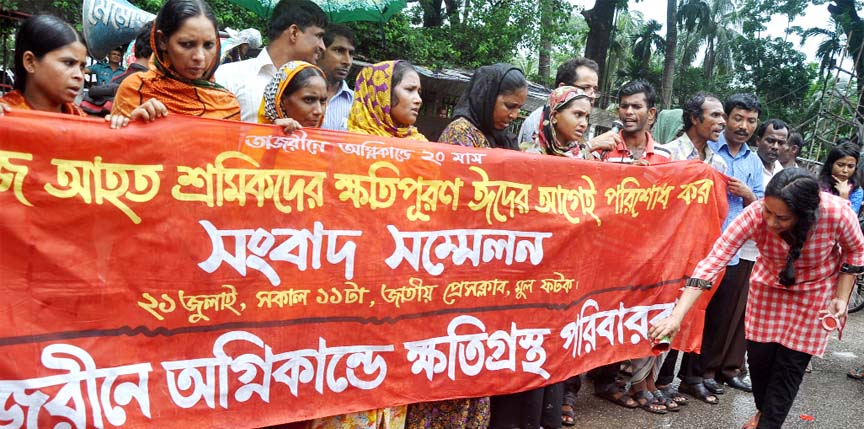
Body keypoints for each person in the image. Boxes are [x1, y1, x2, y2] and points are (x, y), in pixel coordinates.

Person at [650, 168, 864, 429]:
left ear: (805, 214)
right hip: (768, 288)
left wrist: (841, 297)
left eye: (782, 218)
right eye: (768, 212)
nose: (771, 222)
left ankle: (768, 422)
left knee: (788, 370)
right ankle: (765, 413)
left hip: (815, 294)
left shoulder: (838, 213)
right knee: (760, 364)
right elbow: (715, 259)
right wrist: (677, 316)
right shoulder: (755, 214)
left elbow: (855, 251)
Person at [310, 60, 423, 429]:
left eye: (419, 90)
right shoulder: (344, 152)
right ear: (380, 94)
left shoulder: (426, 153)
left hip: (402, 297)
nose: (418, 99)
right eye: (409, 89)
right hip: (351, 299)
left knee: (390, 385)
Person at [656, 92, 728, 407]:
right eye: (714, 116)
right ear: (694, 119)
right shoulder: (668, 154)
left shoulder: (720, 163)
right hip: (666, 251)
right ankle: (646, 381)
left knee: (687, 314)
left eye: (722, 116)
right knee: (659, 310)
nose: (722, 122)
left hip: (699, 253)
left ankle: (664, 381)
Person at [696, 93, 765, 399]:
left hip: (734, 251)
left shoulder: (753, 161)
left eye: (750, 121)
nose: (743, 126)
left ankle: (702, 373)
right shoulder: (708, 150)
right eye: (737, 118)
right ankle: (672, 377)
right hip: (700, 246)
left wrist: (749, 194)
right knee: (692, 311)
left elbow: (764, 204)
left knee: (719, 316)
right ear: (726, 118)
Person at [112, 0, 240, 122]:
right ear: (162, 41)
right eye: (187, 44)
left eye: (208, 45)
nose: (200, 56)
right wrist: (133, 125)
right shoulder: (135, 89)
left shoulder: (227, 106)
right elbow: (115, 143)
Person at [216, 0, 328, 122]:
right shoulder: (228, 77)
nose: (323, 47)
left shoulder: (317, 89)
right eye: (319, 36)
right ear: (294, 33)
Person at [0, 14, 87, 116]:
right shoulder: (5, 115)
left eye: (82, 67)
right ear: (30, 62)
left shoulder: (80, 118)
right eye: (68, 63)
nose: (80, 76)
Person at [439, 63, 527, 150]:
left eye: (519, 108)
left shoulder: (504, 138)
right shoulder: (459, 133)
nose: (515, 115)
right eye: (510, 106)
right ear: (488, 98)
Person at [517, 57, 599, 144]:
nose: (593, 96)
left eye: (594, 90)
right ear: (562, 88)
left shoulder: (580, 123)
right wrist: (590, 146)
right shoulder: (539, 121)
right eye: (585, 88)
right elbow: (535, 157)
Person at [589, 80, 671, 165]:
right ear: (618, 111)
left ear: (651, 114)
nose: (628, 112)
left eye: (636, 107)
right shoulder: (601, 150)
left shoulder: (664, 156)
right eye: (624, 106)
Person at [257, 60, 327, 133]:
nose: (319, 111)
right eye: (308, 100)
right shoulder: (254, 139)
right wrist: (274, 136)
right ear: (282, 101)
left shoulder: (324, 142)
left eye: (322, 101)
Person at [318, 25, 355, 131]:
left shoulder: (357, 105)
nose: (347, 61)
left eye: (351, 53)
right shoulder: (294, 94)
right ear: (320, 51)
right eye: (339, 51)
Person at [818, 141, 863, 214]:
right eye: (840, 165)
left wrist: (844, 196)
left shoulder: (856, 191)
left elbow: (851, 218)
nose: (845, 170)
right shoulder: (819, 185)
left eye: (850, 166)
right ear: (831, 164)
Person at [754, 119, 790, 185]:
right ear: (758, 141)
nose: (775, 147)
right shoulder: (745, 167)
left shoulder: (782, 173)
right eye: (770, 141)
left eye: (781, 143)